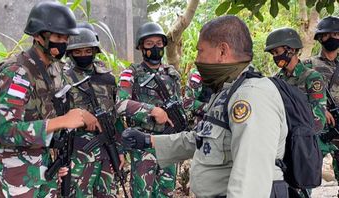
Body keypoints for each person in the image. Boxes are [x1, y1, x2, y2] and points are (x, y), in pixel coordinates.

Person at [122, 15, 289, 198]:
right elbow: (203, 139)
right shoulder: (227, 91)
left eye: (200, 51)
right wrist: (149, 141)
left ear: (222, 51)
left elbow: (250, 177)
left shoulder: (250, 97)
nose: (196, 59)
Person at [0, 2, 100, 197]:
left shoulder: (55, 68)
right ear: (38, 36)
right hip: (16, 173)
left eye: (66, 37)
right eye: (57, 36)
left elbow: (49, 112)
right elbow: (5, 131)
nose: (63, 43)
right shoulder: (17, 72)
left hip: (46, 166)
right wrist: (61, 121)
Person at [116, 22, 182, 197]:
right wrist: (152, 110)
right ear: (141, 47)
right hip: (142, 145)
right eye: (149, 44)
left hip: (168, 143)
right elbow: (120, 104)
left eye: (159, 43)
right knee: (142, 193)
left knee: (166, 192)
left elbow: (181, 105)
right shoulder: (131, 74)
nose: (155, 48)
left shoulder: (172, 74)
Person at [64, 26, 125, 197]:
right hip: (78, 154)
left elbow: (117, 118)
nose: (84, 55)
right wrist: (81, 116)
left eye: (87, 50)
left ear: (95, 50)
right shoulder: (63, 78)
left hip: (107, 149)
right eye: (78, 52)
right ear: (70, 53)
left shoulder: (107, 78)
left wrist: (119, 150)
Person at [265, 27, 326, 132]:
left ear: (291, 50)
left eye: (277, 52)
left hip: (304, 141)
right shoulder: (276, 80)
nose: (275, 57)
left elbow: (319, 119)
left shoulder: (311, 77)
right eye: (272, 54)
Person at [304, 16, 339, 192]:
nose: (333, 38)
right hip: (316, 128)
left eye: (336, 34)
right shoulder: (308, 65)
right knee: (305, 173)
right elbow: (294, 96)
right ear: (319, 38)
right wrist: (318, 108)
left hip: (338, 128)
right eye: (327, 35)